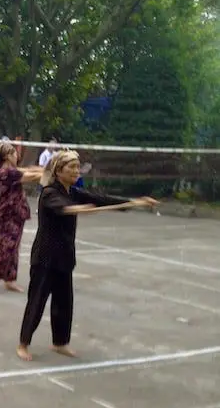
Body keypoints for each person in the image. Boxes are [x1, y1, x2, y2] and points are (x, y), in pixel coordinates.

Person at [16, 150, 159, 362]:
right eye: (71, 167)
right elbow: (62, 208)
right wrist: (79, 209)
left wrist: (134, 202)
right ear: (58, 170)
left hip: (64, 255)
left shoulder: (73, 191)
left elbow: (101, 199)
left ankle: (60, 342)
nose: (76, 171)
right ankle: (23, 343)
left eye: (77, 167)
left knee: (64, 302)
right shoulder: (49, 193)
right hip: (45, 257)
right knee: (37, 301)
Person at [0, 142, 42, 295]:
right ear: (7, 156)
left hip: (17, 212)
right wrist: (47, 171)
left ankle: (9, 279)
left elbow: (27, 171)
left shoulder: (12, 170)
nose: (17, 156)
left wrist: (41, 170)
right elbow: (31, 176)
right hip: (7, 214)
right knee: (6, 249)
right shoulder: (7, 172)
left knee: (14, 249)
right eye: (14, 153)